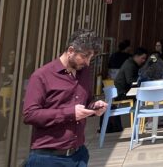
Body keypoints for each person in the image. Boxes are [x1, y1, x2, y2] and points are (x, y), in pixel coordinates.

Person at [22, 28, 107, 166]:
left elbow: (86, 100)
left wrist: (94, 106)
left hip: (79, 155)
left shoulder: (84, 72)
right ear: (71, 51)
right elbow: (30, 114)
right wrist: (69, 113)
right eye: (85, 56)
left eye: (91, 57)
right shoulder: (42, 76)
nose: (87, 62)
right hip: (48, 158)